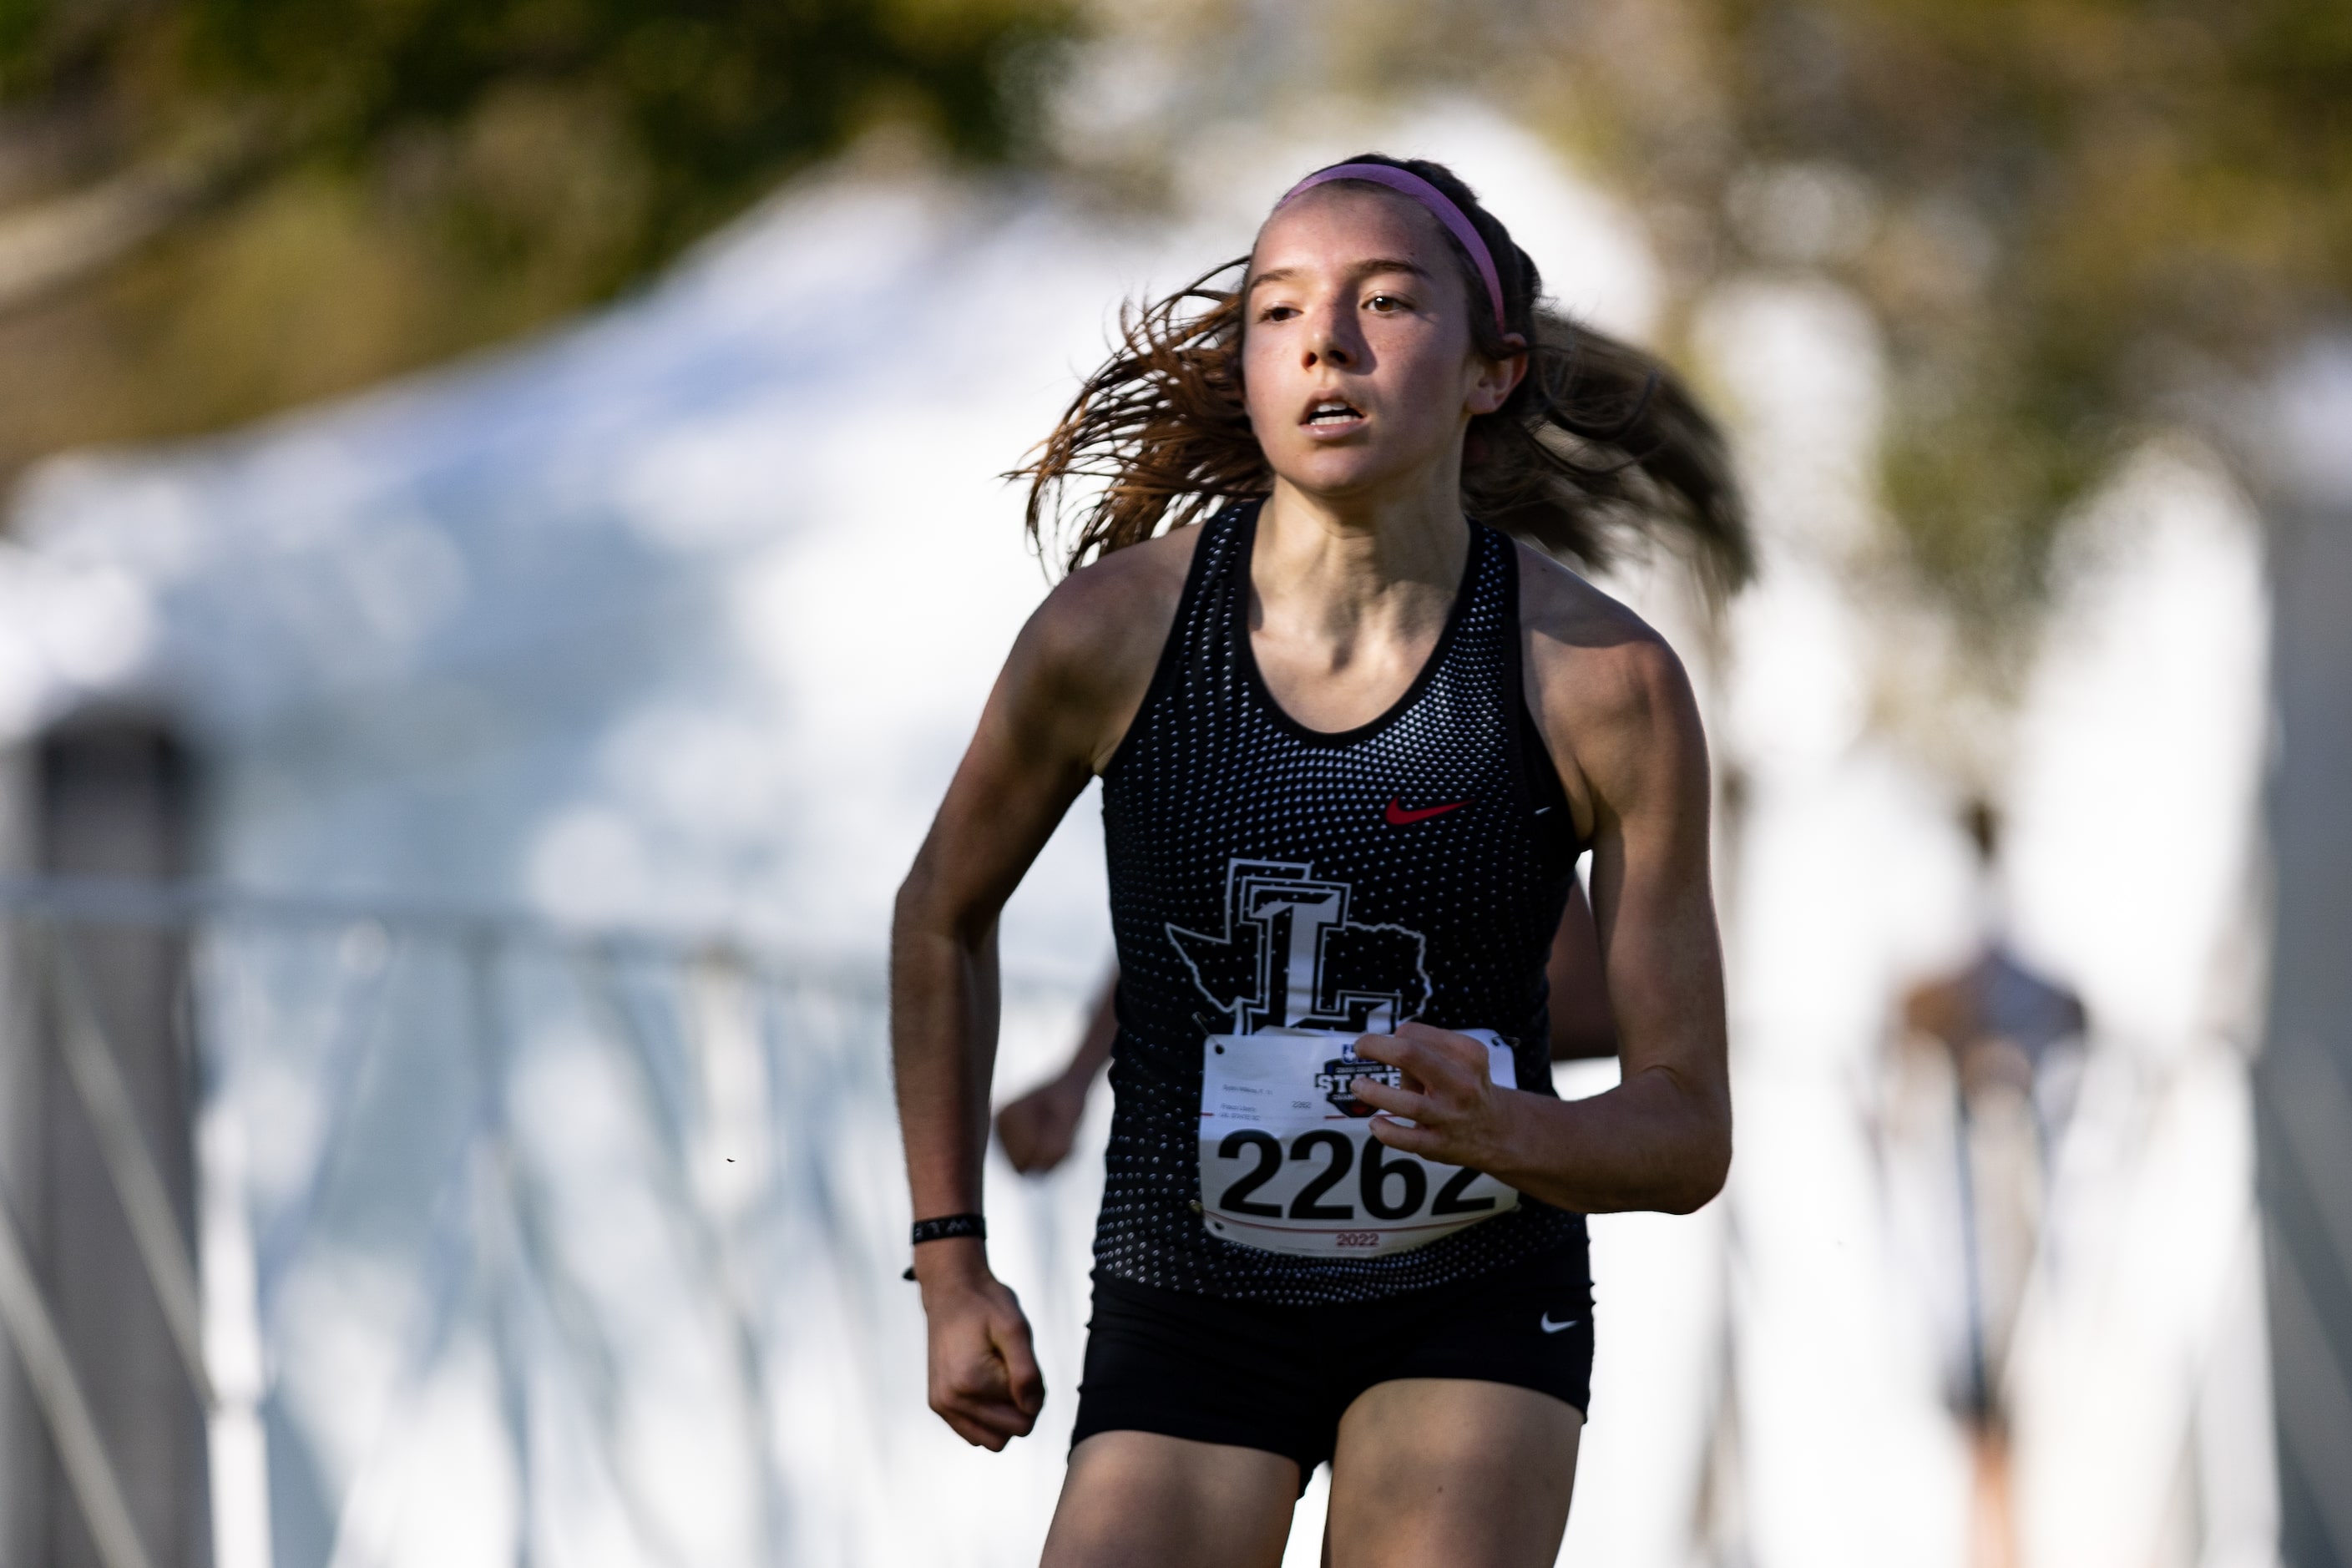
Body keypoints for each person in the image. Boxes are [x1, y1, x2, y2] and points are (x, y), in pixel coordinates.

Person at [892, 154, 1745, 1567]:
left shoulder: (1605, 683)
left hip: (1467, 1299)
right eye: (1278, 310)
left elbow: (1685, 1127)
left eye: (1387, 302)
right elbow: (938, 917)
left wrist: (1512, 1130)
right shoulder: (1110, 636)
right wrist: (948, 1260)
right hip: (1189, 1291)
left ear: (1490, 371)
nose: (1325, 341)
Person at [999, 881, 1621, 1176]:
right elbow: (1186, 932)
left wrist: (1380, 1050)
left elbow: (1592, 1016)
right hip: (1214, 1258)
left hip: (1456, 1244)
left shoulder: (1495, 718)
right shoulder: (1219, 706)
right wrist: (1075, 1076)